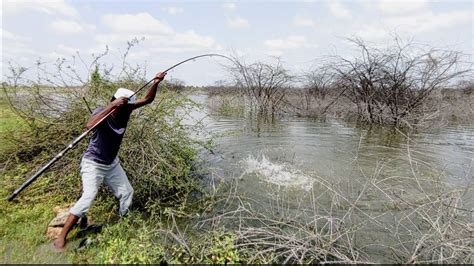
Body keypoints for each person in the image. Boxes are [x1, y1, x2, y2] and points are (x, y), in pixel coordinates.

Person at [53, 72, 167, 251]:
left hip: (112, 164)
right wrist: (111, 106)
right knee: (88, 197)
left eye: (126, 105)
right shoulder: (102, 112)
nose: (125, 108)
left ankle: (123, 222)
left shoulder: (127, 111)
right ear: (114, 101)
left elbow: (147, 100)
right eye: (121, 104)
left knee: (127, 192)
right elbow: (89, 126)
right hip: (93, 163)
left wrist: (156, 82)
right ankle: (62, 236)